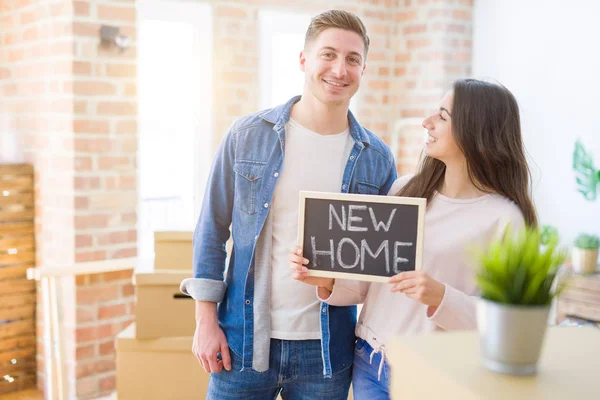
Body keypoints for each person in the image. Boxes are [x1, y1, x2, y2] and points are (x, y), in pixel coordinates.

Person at [179, 9, 397, 400]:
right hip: (242, 340)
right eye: (328, 54)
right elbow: (211, 229)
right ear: (304, 60)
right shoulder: (247, 136)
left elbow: (375, 269)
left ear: (363, 70)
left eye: (352, 59)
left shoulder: (377, 159)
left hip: (327, 352)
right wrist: (204, 320)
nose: (339, 69)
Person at [290, 78, 538, 399]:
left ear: (477, 130)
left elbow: (511, 323)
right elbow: (374, 285)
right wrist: (325, 279)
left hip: (435, 373)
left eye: (443, 117)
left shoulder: (505, 219)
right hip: (371, 360)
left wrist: (441, 296)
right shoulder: (405, 190)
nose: (427, 122)